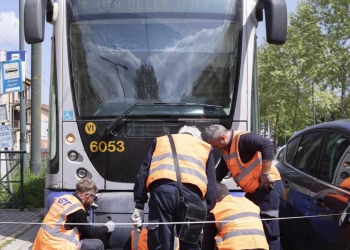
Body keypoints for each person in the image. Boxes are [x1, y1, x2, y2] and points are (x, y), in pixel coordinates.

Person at [132, 125, 217, 250]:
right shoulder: (204, 147)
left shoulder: (160, 141)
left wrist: (139, 205)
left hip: (162, 194)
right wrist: (205, 209)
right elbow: (212, 186)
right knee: (191, 244)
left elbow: (143, 172)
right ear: (197, 138)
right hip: (192, 197)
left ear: (180, 134)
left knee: (160, 242)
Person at [202, 124, 283, 250]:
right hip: (253, 191)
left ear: (222, 138)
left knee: (270, 232)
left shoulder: (243, 139)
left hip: (267, 188)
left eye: (215, 145)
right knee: (253, 229)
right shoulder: (226, 151)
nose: (215, 148)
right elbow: (217, 175)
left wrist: (265, 174)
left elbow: (267, 144)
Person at [32, 178, 115, 250]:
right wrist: (106, 227)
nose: (93, 201)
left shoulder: (62, 199)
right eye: (93, 198)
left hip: (42, 244)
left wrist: (87, 205)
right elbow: (90, 233)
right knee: (96, 244)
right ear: (87, 195)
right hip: (57, 246)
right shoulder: (78, 210)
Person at [203, 183, 268, 250]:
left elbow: (207, 243)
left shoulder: (216, 209)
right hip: (261, 247)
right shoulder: (250, 204)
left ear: (215, 198)